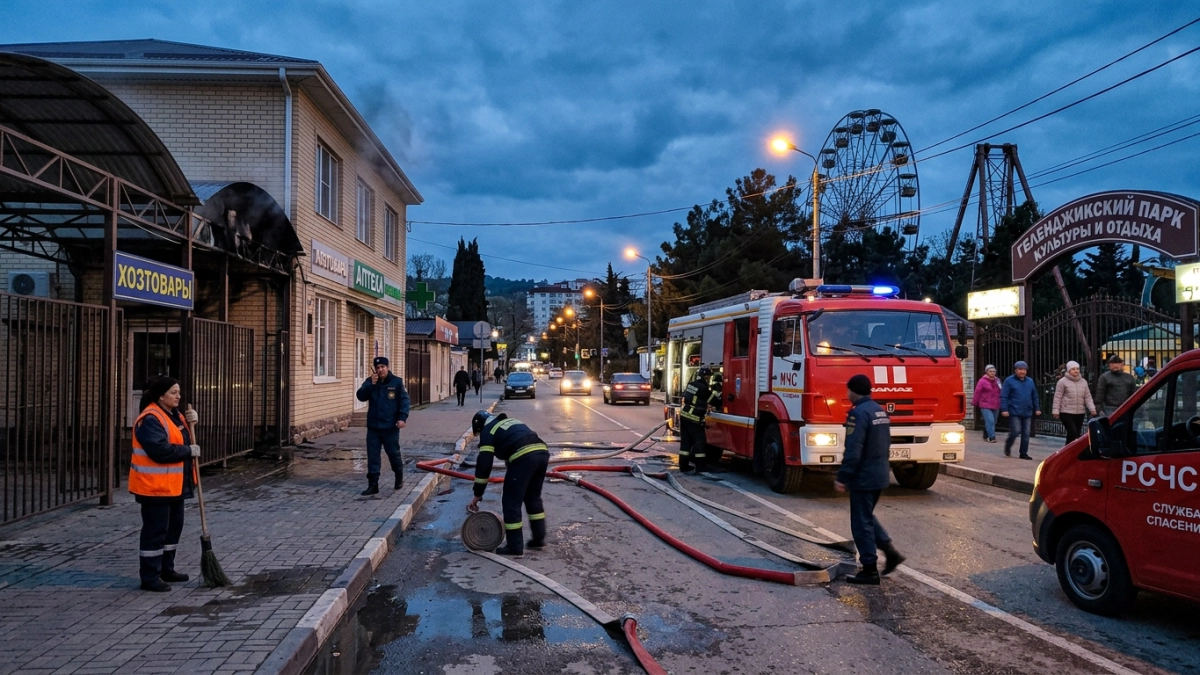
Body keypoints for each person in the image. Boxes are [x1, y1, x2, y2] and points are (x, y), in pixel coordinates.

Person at [130, 376, 200, 592]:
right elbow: (160, 450)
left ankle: (166, 568)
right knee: (155, 531)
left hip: (173, 486)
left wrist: (192, 424)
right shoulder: (150, 418)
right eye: (173, 392)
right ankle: (150, 576)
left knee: (172, 529)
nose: (178, 396)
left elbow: (182, 439)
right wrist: (189, 451)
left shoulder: (173, 415)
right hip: (155, 488)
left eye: (178, 392)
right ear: (161, 396)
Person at [835, 374, 904, 585]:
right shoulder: (878, 410)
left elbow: (853, 450)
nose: (847, 395)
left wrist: (843, 476)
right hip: (879, 473)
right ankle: (890, 552)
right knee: (866, 516)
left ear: (853, 391)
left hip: (863, 476)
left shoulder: (858, 414)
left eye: (848, 391)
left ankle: (869, 569)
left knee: (860, 523)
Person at [467, 411, 549, 556]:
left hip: (524, 456)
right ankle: (538, 539)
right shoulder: (508, 422)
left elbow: (484, 464)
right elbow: (513, 442)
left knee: (511, 501)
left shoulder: (488, 430)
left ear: (480, 426)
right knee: (533, 498)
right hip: (541, 453)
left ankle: (515, 547)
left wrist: (478, 493)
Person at [355, 356, 411, 495]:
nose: (380, 370)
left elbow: (404, 401)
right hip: (374, 427)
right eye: (378, 368)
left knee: (393, 454)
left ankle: (398, 475)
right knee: (373, 456)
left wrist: (402, 418)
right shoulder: (371, 382)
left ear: (387, 367)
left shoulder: (396, 382)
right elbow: (360, 396)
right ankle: (373, 485)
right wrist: (370, 385)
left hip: (390, 427)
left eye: (383, 367)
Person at [1000, 360, 1041, 459]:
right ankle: (1008, 445)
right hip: (1014, 411)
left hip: (1027, 411)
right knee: (1016, 431)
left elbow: (1034, 395)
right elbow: (1004, 396)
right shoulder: (1009, 381)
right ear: (1015, 370)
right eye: (1020, 369)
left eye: (1024, 370)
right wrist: (1004, 409)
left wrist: (1037, 408)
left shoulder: (1030, 381)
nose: (1022, 371)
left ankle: (1023, 453)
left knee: (1026, 433)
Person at [678, 365, 712, 473]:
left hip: (685, 415)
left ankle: (683, 466)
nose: (708, 379)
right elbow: (714, 400)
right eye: (708, 377)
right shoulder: (703, 388)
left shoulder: (691, 384)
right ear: (706, 377)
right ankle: (701, 467)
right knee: (700, 442)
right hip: (694, 418)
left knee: (685, 443)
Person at [1052, 360, 1096, 445]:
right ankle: (1067, 452)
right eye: (1073, 369)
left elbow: (1087, 397)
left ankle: (1069, 451)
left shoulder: (1083, 382)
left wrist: (1092, 409)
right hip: (1066, 411)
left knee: (1076, 434)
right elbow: (1057, 397)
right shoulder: (1062, 382)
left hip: (1080, 412)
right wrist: (1055, 411)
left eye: (1077, 369)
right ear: (1069, 371)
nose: (1076, 371)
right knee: (1072, 432)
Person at [973, 365, 1001, 443]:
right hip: (985, 404)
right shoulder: (982, 381)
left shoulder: (997, 380)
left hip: (996, 404)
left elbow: (1001, 391)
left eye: (994, 371)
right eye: (990, 371)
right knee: (990, 421)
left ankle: (986, 434)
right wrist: (975, 402)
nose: (992, 373)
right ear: (986, 372)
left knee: (993, 421)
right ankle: (991, 437)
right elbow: (977, 392)